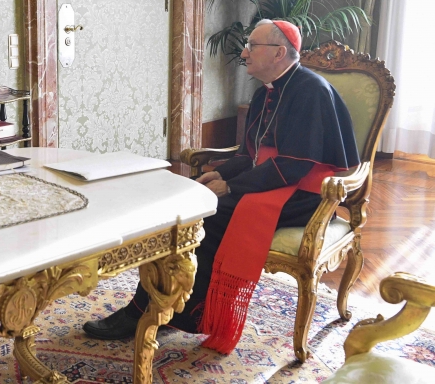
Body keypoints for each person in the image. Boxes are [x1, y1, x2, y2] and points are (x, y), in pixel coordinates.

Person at [82, 19, 360, 353]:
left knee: (205, 217)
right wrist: (221, 175)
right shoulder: (265, 93)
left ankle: (169, 311)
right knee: (184, 200)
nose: (244, 53)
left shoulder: (310, 91)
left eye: (252, 46)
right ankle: (167, 305)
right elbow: (250, 154)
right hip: (276, 181)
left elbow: (294, 164)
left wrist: (231, 187)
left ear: (278, 53)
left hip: (306, 194)